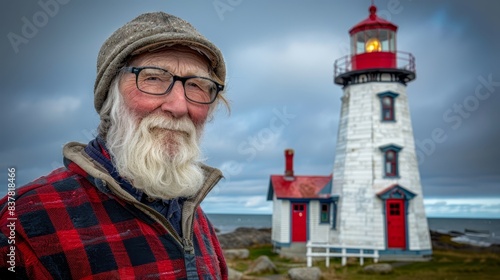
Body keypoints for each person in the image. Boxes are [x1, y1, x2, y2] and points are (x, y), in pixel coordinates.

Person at [0, 11, 229, 279]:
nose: (179, 106)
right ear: (110, 95)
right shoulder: (23, 225)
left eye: (197, 85)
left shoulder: (192, 214)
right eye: (153, 78)